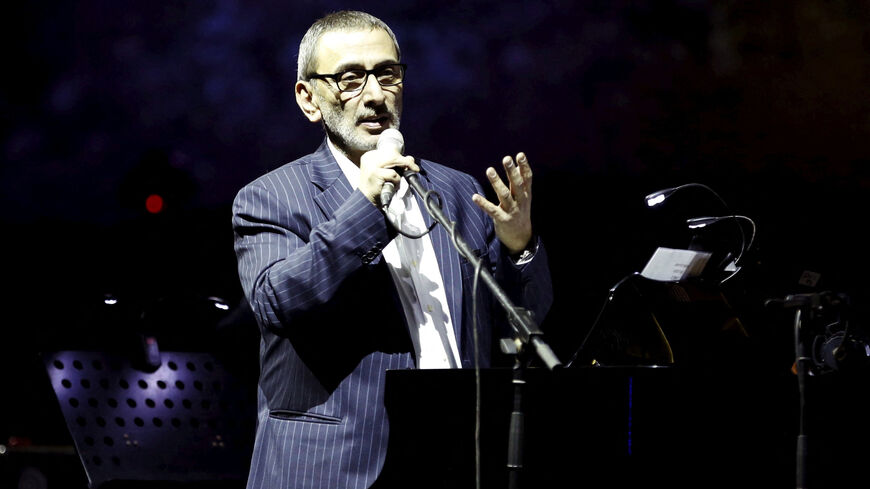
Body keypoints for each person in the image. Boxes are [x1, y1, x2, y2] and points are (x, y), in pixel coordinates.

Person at [232, 10, 553, 489]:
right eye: (349, 79)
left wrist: (518, 248)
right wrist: (364, 206)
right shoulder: (271, 197)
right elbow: (275, 303)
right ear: (308, 99)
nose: (376, 95)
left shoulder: (455, 191)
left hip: (457, 457)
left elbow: (517, 324)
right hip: (334, 467)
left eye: (387, 74)